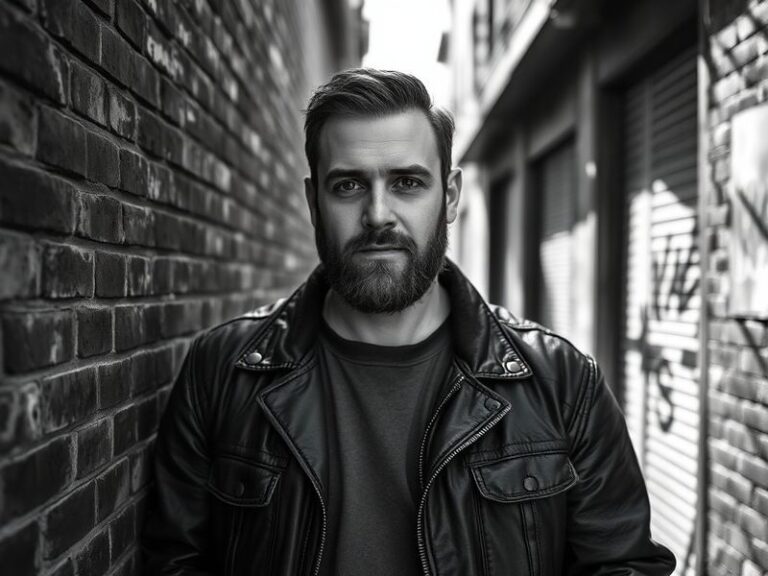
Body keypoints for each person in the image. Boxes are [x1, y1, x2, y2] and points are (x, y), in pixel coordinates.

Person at [143, 69, 676, 576]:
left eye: (407, 183)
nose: (378, 215)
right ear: (313, 202)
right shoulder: (223, 372)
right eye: (348, 186)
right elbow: (174, 562)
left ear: (449, 196)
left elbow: (622, 563)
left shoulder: (562, 383)